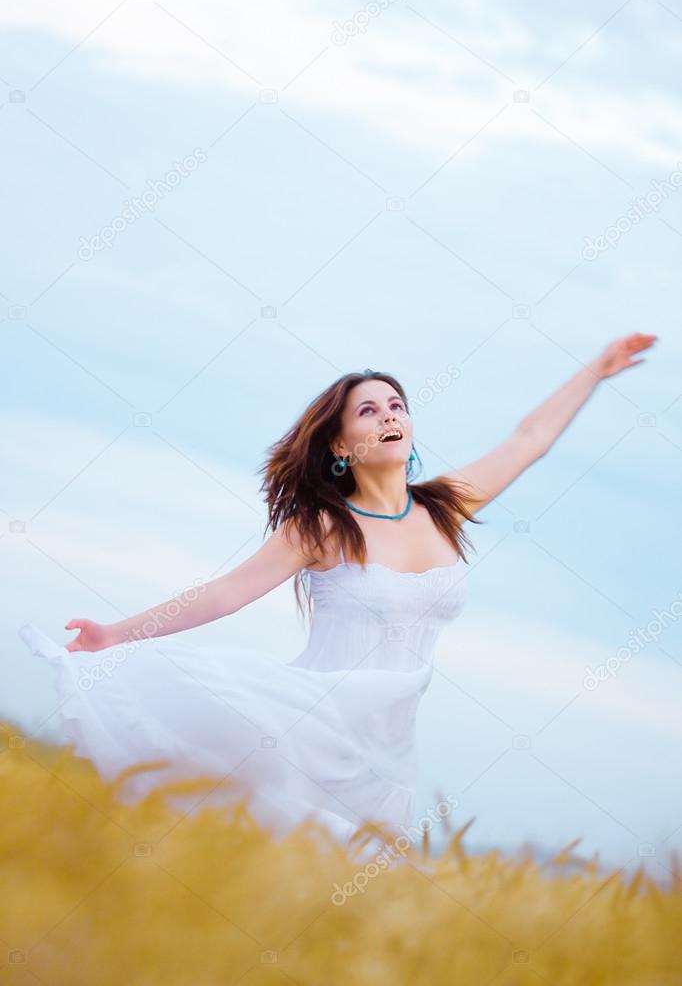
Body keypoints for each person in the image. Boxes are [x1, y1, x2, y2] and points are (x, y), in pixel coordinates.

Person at [17, 335, 656, 852]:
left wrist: (594, 372)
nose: (389, 416)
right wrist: (115, 634)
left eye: (397, 405)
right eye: (369, 411)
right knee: (279, 857)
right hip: (311, 720)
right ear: (341, 446)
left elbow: (528, 441)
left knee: (354, 888)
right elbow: (227, 592)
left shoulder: (443, 508)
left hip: (390, 744)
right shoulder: (323, 526)